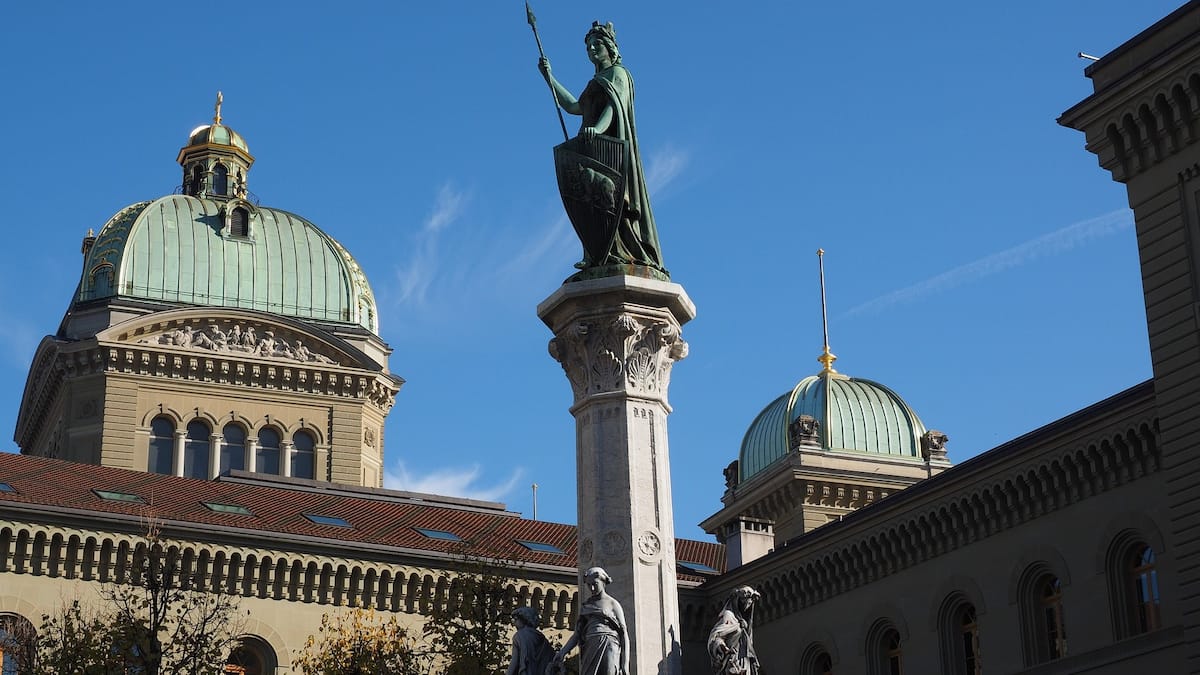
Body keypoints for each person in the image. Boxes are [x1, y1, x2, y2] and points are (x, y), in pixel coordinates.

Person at [539, 21, 665, 273]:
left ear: (610, 48)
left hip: (609, 151)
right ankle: (598, 252)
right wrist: (549, 78)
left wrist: (597, 129)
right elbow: (575, 107)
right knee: (592, 201)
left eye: (597, 44)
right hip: (592, 147)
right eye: (588, 46)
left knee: (614, 202)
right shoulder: (594, 81)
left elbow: (613, 106)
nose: (592, 49)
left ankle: (624, 250)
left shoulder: (619, 74)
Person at [552, 567, 628, 675]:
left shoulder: (613, 604)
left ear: (603, 582)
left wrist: (625, 664)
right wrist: (563, 652)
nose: (592, 588)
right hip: (590, 646)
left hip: (609, 645)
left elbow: (624, 634)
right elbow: (577, 635)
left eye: (595, 584)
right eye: (588, 585)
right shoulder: (586, 606)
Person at [707, 586, 761, 675]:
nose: (747, 608)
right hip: (732, 661)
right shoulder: (728, 616)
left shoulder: (745, 623)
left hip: (745, 661)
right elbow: (715, 637)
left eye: (749, 605)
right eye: (745, 604)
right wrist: (724, 649)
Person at [507, 606, 556, 675]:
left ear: (524, 619)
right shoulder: (542, 638)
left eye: (516, 619)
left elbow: (514, 662)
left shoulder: (520, 635)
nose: (514, 623)